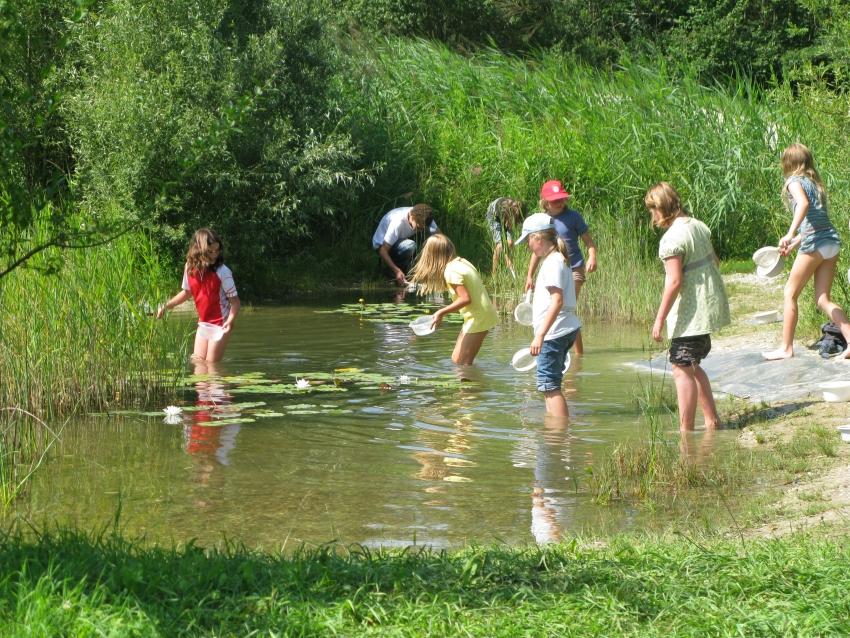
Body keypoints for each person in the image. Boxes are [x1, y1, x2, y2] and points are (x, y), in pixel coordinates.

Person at [645, 182, 730, 431]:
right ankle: (712, 421)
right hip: (708, 304)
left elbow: (674, 281)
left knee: (681, 368)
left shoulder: (671, 239)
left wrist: (659, 319)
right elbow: (715, 260)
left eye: (653, 210)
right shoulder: (698, 225)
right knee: (691, 365)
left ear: (661, 208)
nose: (652, 216)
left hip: (691, 312)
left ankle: (686, 431)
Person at [762, 143, 850, 361]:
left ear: (788, 163)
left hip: (815, 243)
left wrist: (789, 234)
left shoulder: (793, 181)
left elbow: (802, 205)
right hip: (830, 241)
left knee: (790, 293)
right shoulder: (815, 184)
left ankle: (786, 348)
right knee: (822, 299)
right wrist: (794, 243)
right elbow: (816, 219)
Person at [517, 213, 581, 418]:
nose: (528, 245)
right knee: (550, 385)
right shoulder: (558, 258)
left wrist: (540, 335)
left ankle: (558, 437)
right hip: (564, 328)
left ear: (538, 238)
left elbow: (557, 300)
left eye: (528, 240)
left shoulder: (553, 262)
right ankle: (555, 429)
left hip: (554, 333)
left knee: (549, 386)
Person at [525, 180, 597, 355]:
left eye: (561, 199)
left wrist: (592, 257)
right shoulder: (541, 221)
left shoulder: (573, 217)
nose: (559, 202)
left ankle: (579, 355)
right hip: (554, 271)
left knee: (565, 310)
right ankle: (558, 345)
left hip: (575, 269)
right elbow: (536, 251)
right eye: (554, 200)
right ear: (544, 201)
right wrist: (529, 276)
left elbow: (589, 242)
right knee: (556, 311)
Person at [410, 234, 497, 365]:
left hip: (479, 317)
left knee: (462, 364)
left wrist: (441, 312)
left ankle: (471, 385)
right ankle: (469, 383)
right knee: (457, 360)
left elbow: (465, 299)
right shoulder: (461, 262)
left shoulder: (451, 271)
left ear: (432, 256)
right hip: (479, 315)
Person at [157, 228, 240, 362]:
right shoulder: (189, 267)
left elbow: (235, 302)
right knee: (198, 366)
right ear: (198, 249)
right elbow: (187, 292)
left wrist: (230, 322)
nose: (214, 255)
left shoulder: (223, 272)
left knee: (212, 369)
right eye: (210, 251)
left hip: (221, 324)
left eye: (217, 251)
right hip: (203, 324)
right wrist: (166, 306)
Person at [372, 203, 438, 286]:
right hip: (381, 246)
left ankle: (406, 272)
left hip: (396, 241)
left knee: (429, 244)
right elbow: (383, 250)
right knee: (410, 245)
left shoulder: (425, 216)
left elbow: (439, 237)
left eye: (423, 228)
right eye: (419, 227)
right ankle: (392, 273)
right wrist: (397, 270)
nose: (420, 230)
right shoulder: (398, 222)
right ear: (412, 217)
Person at [485, 197, 523, 276]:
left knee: (510, 242)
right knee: (500, 245)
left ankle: (511, 267)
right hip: (493, 216)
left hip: (506, 215)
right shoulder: (501, 209)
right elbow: (504, 222)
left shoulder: (519, 210)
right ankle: (494, 273)